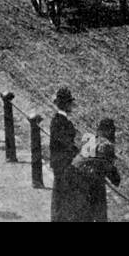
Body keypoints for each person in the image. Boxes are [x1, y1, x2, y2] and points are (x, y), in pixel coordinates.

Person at [71, 119, 120, 223]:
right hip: (93, 181)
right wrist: (116, 180)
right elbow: (108, 167)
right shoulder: (107, 145)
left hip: (76, 178)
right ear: (110, 131)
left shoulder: (90, 139)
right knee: (100, 212)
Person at [49, 86, 82, 222]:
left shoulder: (58, 120)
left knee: (59, 195)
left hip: (59, 162)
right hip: (63, 163)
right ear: (66, 104)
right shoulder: (61, 122)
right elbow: (66, 144)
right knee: (63, 196)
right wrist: (79, 153)